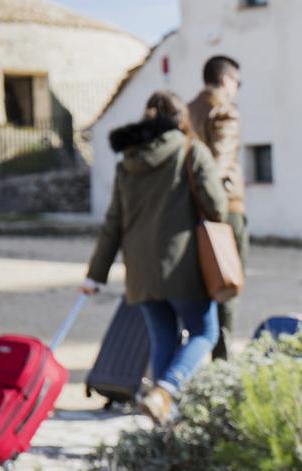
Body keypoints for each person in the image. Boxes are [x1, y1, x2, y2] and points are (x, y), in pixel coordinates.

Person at [81, 91, 227, 424]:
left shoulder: (126, 164)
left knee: (163, 338)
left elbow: (113, 223)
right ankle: (166, 390)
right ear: (182, 119)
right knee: (205, 333)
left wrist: (95, 275)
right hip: (183, 267)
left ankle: (165, 420)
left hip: (140, 272)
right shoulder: (192, 151)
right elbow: (217, 208)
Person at [188, 55, 248, 360]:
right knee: (228, 284)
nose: (237, 89)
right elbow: (221, 164)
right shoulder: (225, 112)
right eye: (237, 82)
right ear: (226, 80)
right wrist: (217, 208)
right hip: (224, 210)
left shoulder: (188, 110)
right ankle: (223, 362)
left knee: (202, 287)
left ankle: (207, 353)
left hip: (191, 209)